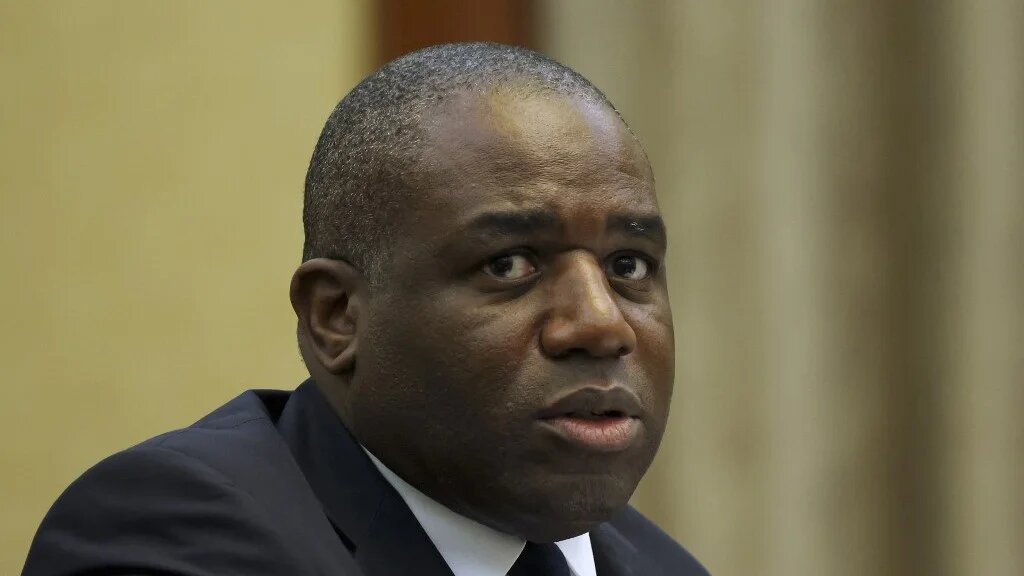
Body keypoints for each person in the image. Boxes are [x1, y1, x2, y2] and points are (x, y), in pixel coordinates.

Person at [24, 42, 709, 576]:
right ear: (337, 317)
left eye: (629, 266)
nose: (601, 323)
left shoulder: (661, 566)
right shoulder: (175, 534)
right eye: (509, 265)